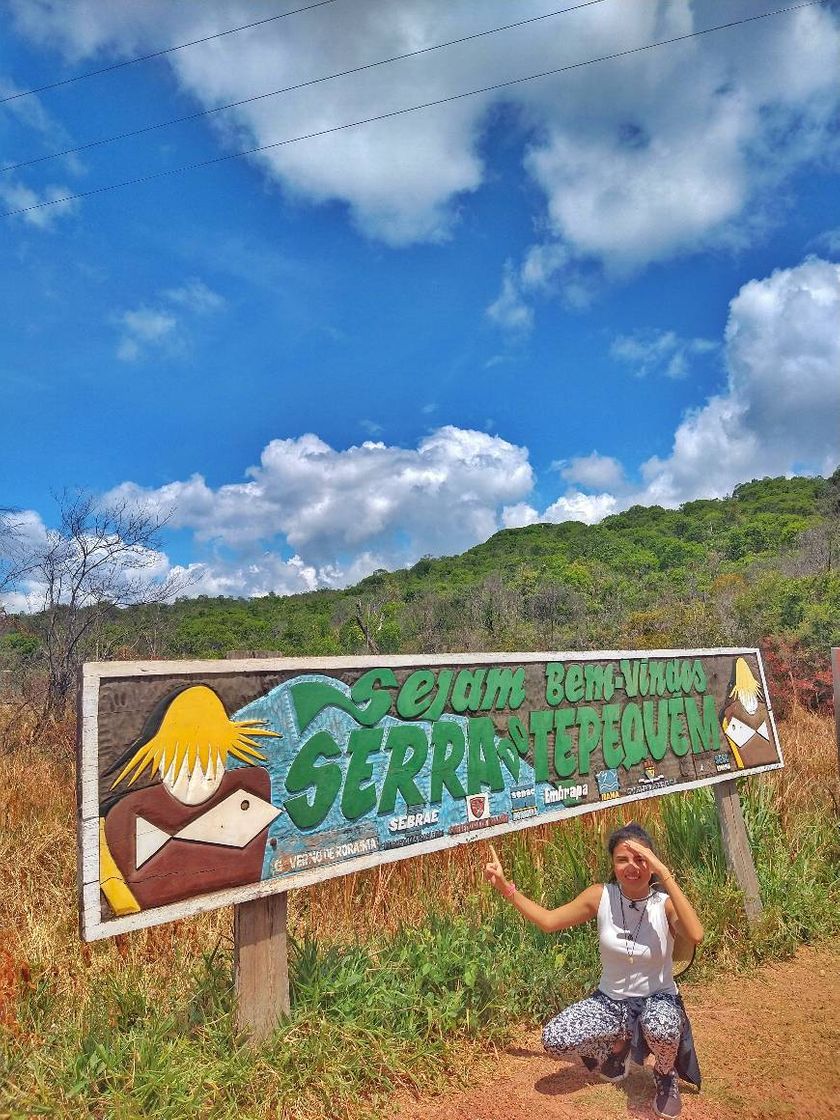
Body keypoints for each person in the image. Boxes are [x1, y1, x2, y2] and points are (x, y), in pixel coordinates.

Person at [484, 822, 704, 1119]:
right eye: (622, 859)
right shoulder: (601, 896)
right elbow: (549, 921)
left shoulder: (663, 905)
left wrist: (664, 874)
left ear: (651, 863)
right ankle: (619, 1046)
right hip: (611, 1002)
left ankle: (665, 1075)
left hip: (657, 1000)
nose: (632, 867)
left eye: (641, 859)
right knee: (555, 1038)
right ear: (613, 865)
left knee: (661, 1026)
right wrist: (505, 887)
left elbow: (696, 935)